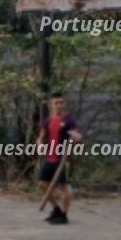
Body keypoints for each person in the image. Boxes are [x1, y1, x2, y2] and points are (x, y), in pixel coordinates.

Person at [35, 92, 82, 225]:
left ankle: (64, 215)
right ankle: (56, 209)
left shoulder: (68, 120)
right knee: (42, 184)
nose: (59, 105)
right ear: (52, 105)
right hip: (50, 158)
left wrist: (73, 142)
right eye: (56, 103)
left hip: (63, 160)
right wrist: (39, 145)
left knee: (64, 188)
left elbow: (77, 136)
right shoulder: (48, 120)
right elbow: (41, 136)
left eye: (61, 102)